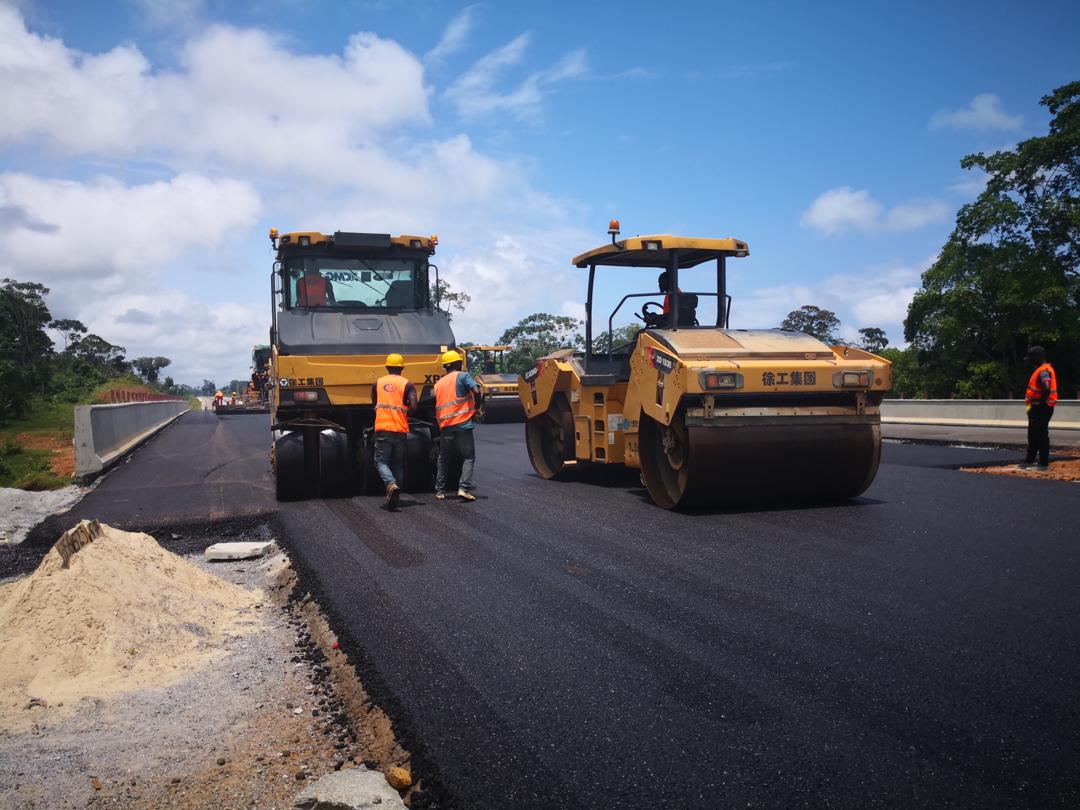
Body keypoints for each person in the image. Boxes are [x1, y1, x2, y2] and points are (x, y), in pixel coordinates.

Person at [372, 353, 417, 510]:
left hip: (383, 428)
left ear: (387, 367)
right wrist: (404, 414)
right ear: (402, 368)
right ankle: (395, 495)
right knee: (398, 463)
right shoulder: (408, 384)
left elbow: (374, 404)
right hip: (400, 428)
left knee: (381, 461)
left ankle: (391, 485)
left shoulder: (378, 383)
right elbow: (414, 406)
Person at [434, 349, 481, 502]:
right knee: (468, 457)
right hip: (462, 424)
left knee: (444, 458)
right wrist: (477, 408)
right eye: (460, 362)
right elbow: (476, 390)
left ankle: (440, 491)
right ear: (457, 363)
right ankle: (463, 488)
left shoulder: (438, 383)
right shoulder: (463, 376)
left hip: (445, 425)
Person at [1017, 346, 1057, 471]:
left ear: (1038, 357)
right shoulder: (1041, 369)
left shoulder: (1043, 371)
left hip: (1042, 407)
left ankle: (1043, 463)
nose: (1030, 362)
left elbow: (1046, 387)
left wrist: (1040, 401)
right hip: (1039, 407)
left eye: (1032, 358)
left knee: (1040, 434)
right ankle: (1030, 460)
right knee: (1034, 434)